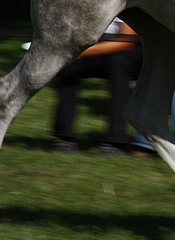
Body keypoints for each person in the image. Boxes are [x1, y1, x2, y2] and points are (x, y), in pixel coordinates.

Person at [51, 18, 141, 156]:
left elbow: (126, 41)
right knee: (68, 68)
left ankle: (115, 140)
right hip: (97, 47)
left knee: (119, 64)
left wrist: (81, 52)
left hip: (128, 51)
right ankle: (65, 137)